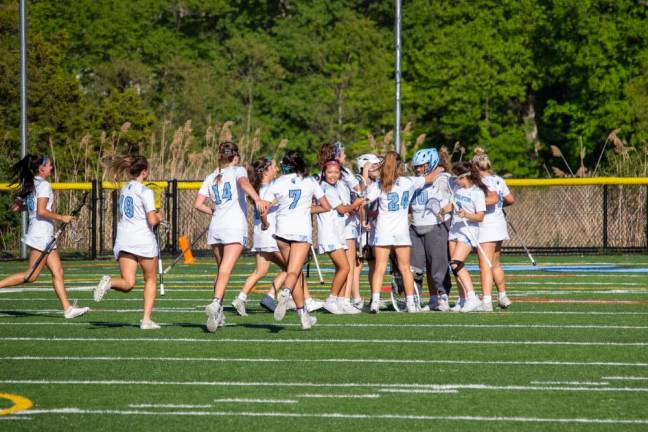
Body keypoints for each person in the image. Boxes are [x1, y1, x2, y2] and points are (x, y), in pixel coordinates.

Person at [0, 154, 89, 319]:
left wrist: (25, 203)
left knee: (58, 271)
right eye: (49, 165)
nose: (51, 168)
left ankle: (68, 309)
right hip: (40, 234)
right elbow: (41, 211)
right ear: (41, 169)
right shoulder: (44, 185)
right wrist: (62, 217)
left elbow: (16, 208)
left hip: (43, 234)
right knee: (31, 276)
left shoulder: (32, 184)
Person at [193, 142, 267, 332]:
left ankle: (219, 314)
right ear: (236, 157)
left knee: (221, 272)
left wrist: (213, 211)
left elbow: (198, 204)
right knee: (225, 270)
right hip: (233, 227)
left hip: (216, 227)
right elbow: (243, 182)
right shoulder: (238, 170)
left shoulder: (211, 176)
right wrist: (257, 198)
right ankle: (216, 303)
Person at [260, 150, 331, 329]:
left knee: (295, 273)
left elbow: (263, 208)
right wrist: (306, 209)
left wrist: (264, 223)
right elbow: (326, 206)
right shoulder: (309, 181)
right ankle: (285, 293)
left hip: (282, 233)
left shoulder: (277, 182)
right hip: (300, 232)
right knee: (293, 272)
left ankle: (303, 316)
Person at [365, 151, 443, 313]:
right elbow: (429, 178)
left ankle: (375, 303)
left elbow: (365, 201)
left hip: (383, 231)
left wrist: (364, 218)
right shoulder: (408, 181)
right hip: (401, 232)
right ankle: (411, 304)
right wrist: (440, 168)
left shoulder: (379, 184)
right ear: (400, 165)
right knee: (405, 268)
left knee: (379, 268)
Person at [94, 155, 162, 329]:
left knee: (128, 283)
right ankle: (146, 320)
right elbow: (152, 220)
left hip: (124, 239)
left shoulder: (124, 189)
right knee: (150, 279)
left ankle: (109, 282)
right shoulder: (145, 191)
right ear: (144, 172)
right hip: (143, 240)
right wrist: (160, 217)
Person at [313, 159, 364, 314]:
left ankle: (341, 301)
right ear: (324, 173)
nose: (333, 175)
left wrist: (352, 208)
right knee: (345, 267)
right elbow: (341, 209)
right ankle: (331, 299)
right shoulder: (326, 188)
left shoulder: (334, 187)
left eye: (336, 172)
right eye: (330, 172)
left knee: (341, 268)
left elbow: (342, 210)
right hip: (330, 234)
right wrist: (356, 204)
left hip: (337, 232)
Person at [439, 162, 487, 313]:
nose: (455, 181)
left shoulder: (477, 192)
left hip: (468, 231)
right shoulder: (458, 191)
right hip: (454, 230)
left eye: (457, 178)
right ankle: (462, 299)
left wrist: (466, 214)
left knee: (456, 263)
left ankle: (472, 298)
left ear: (465, 177)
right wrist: (444, 210)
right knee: (455, 268)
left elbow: (480, 216)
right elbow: (453, 206)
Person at [409, 148, 453, 312]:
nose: (418, 169)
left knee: (437, 265)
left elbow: (453, 193)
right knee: (416, 267)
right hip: (415, 226)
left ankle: (442, 297)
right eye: (417, 166)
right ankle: (422, 298)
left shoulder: (444, 178)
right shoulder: (415, 180)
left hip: (436, 225)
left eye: (422, 165)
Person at [472, 148, 514, 310]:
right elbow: (510, 199)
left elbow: (492, 198)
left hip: (486, 227)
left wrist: (476, 205)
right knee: (495, 263)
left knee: (485, 265)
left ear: (476, 166)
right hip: (499, 225)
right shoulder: (498, 179)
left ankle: (487, 301)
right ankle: (502, 295)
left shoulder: (480, 182)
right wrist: (499, 205)